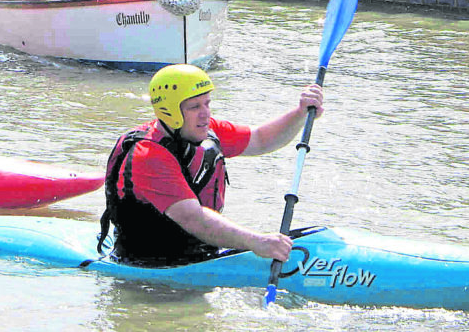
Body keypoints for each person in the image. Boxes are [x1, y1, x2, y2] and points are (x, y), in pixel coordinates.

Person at [98, 63, 324, 266]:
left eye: (207, 103)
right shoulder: (149, 156)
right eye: (195, 106)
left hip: (198, 252)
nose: (205, 113)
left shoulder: (207, 131)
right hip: (150, 262)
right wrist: (257, 241)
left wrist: (300, 113)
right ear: (170, 110)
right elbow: (193, 218)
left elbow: (261, 139)